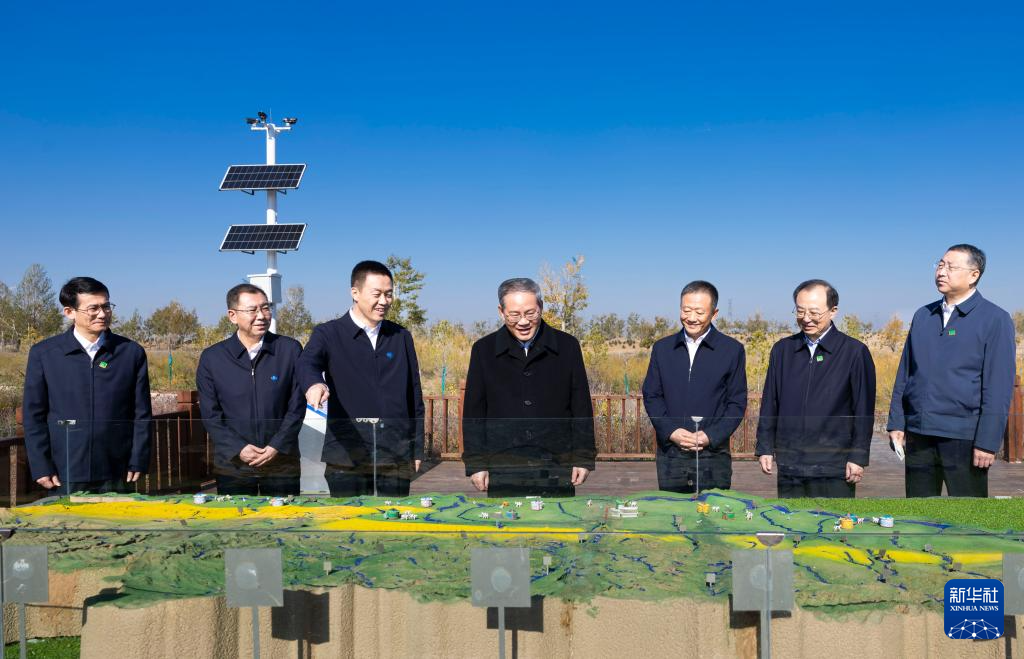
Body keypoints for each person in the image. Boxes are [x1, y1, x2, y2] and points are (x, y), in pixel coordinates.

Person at [887, 244, 1015, 498]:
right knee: (919, 513)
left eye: (951, 267)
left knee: (968, 516)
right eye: (940, 265)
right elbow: (905, 374)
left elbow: (998, 387)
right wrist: (897, 422)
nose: (941, 272)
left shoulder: (995, 319)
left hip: (964, 438)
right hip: (919, 434)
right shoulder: (923, 315)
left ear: (974, 275)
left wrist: (987, 442)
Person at [298, 260, 425, 497]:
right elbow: (307, 363)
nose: (384, 301)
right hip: (346, 455)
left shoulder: (401, 336)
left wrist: (417, 448)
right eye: (377, 294)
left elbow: (414, 395)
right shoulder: (328, 333)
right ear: (355, 293)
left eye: (389, 294)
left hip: (394, 454)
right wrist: (314, 383)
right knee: (349, 519)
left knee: (394, 517)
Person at [462, 278, 595, 497]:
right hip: (503, 462)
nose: (523, 322)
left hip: (556, 461)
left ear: (541, 307)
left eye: (530, 313)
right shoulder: (483, 350)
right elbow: (474, 413)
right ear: (501, 312)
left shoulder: (567, 346)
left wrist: (583, 457)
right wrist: (476, 463)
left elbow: (581, 406)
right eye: (514, 314)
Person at [22, 277, 152, 494]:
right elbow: (33, 415)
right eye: (93, 308)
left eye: (106, 306)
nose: (102, 314)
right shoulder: (44, 354)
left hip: (117, 468)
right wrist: (40, 465)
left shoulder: (130, 353)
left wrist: (139, 458)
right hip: (64, 470)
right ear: (69, 312)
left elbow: (141, 413)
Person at [755, 279, 876, 498]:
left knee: (832, 519)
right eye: (800, 311)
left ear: (833, 311)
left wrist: (858, 456)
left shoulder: (854, 352)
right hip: (790, 462)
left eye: (814, 312)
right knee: (791, 518)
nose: (806, 318)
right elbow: (770, 402)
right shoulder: (782, 350)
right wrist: (765, 447)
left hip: (834, 464)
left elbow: (863, 410)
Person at [196, 284, 306, 495]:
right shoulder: (213, 358)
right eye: (252, 310)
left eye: (265, 308)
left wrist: (276, 446)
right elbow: (211, 414)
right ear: (232, 316)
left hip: (281, 463)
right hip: (233, 465)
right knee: (238, 516)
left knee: (284, 516)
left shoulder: (289, 350)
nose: (262, 316)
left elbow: (297, 406)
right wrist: (238, 448)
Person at [643, 280, 747, 493]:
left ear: (714, 314)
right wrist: (671, 431)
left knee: (713, 511)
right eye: (686, 310)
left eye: (699, 312)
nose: (691, 317)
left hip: (713, 455)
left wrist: (711, 436)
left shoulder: (732, 350)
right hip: (671, 454)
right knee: (673, 511)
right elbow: (652, 395)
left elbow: (736, 403)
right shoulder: (662, 349)